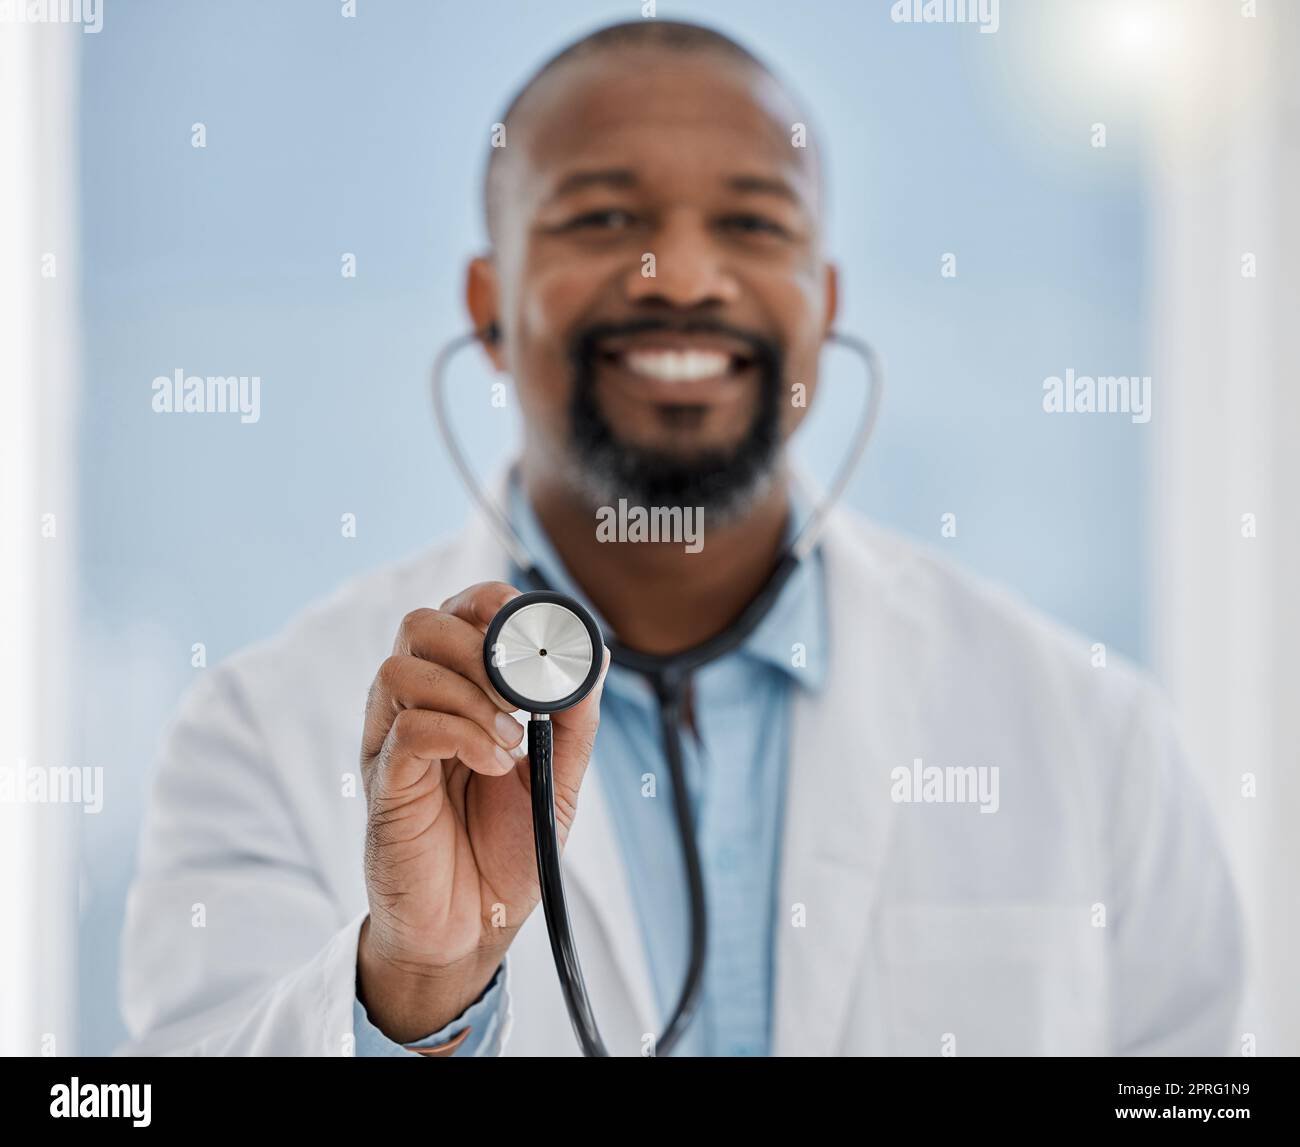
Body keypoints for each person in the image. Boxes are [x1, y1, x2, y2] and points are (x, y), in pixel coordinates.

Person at [120, 19, 1242, 1057]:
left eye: (754, 223)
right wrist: (414, 990)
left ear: (825, 300)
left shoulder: (1091, 736)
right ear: (489, 305)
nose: (686, 278)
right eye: (602, 217)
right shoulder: (258, 736)